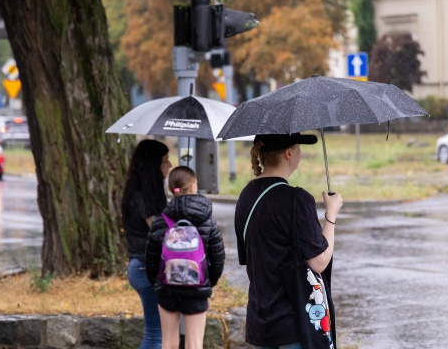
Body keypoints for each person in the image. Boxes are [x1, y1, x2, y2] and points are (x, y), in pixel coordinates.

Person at [233, 133, 343, 349]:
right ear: (289, 153)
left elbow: (250, 256)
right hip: (295, 324)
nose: (300, 152)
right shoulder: (296, 199)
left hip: (261, 324)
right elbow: (319, 262)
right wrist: (331, 214)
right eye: (299, 147)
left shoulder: (246, 195)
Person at [145, 166, 226, 349]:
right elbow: (218, 258)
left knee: (168, 343)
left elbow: (150, 260)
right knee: (194, 345)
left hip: (167, 288)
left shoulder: (160, 221)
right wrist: (206, 282)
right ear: (193, 186)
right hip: (197, 287)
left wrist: (159, 282)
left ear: (170, 189)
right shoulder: (207, 220)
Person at [121, 139, 172, 349]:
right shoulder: (145, 197)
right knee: (155, 336)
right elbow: (161, 233)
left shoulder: (140, 192)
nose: (169, 165)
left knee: (157, 334)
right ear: (153, 165)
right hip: (145, 268)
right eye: (165, 161)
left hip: (142, 266)